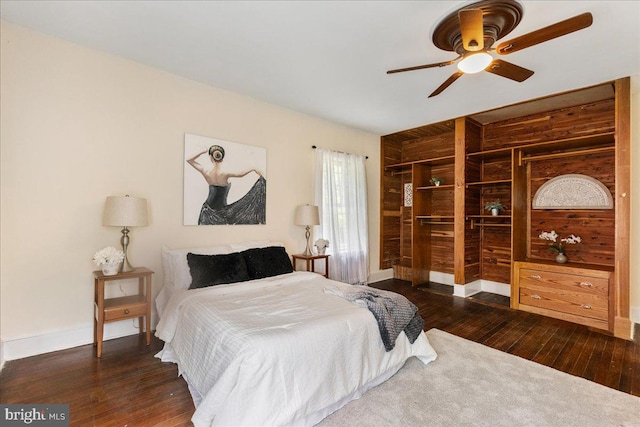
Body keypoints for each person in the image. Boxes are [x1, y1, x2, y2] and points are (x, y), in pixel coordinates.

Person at [187, 144, 266, 225]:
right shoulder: (225, 173)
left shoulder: (205, 171)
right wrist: (253, 168)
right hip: (222, 213)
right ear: (222, 158)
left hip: (207, 210)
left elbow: (189, 160)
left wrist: (202, 151)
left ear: (211, 157)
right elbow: (240, 174)